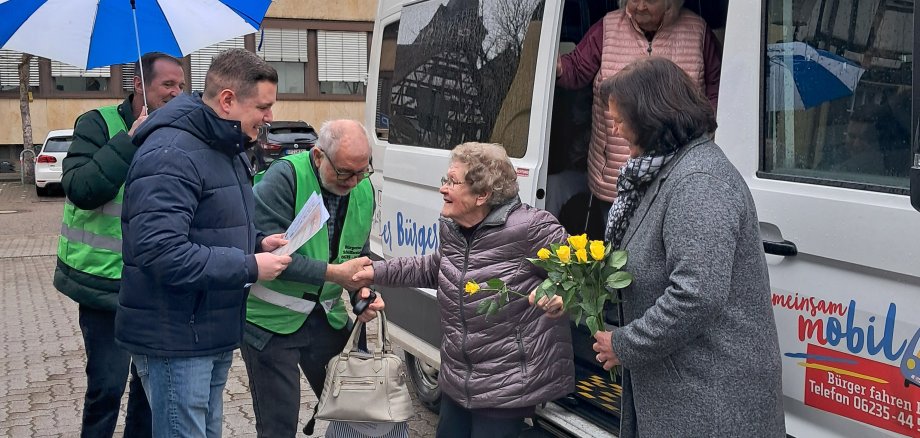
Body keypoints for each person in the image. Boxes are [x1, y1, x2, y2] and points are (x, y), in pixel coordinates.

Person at [554, 56, 784, 437]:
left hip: (712, 400)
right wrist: (574, 295)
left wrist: (626, 344)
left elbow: (696, 293)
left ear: (651, 116)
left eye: (620, 118)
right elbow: (642, 269)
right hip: (688, 390)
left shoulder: (699, 181)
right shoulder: (669, 171)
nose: (614, 128)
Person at [115, 48, 292, 438]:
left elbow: (211, 224)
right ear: (227, 100)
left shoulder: (223, 145)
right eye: (263, 106)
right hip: (176, 336)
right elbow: (160, 251)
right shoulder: (171, 152)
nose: (270, 117)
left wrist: (257, 243)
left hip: (209, 327)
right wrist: (248, 266)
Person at [353, 143, 574, 438]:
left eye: (453, 182)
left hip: (506, 381)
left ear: (482, 195)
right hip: (458, 375)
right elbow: (435, 268)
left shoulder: (531, 228)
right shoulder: (452, 227)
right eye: (446, 180)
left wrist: (556, 292)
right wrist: (374, 271)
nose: (443, 189)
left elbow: (578, 271)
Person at [54, 51, 184, 438]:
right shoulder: (97, 124)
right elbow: (81, 189)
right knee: (106, 389)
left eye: (181, 85)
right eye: (167, 85)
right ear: (139, 86)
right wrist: (130, 141)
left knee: (149, 391)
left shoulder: (176, 132)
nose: (177, 93)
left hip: (155, 284)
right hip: (104, 285)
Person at [241, 119, 386, 437]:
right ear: (319, 156)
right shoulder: (285, 177)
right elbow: (270, 258)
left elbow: (357, 255)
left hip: (325, 319)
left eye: (363, 171)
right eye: (346, 172)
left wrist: (362, 292)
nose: (354, 181)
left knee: (357, 416)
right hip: (270, 325)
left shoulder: (363, 188)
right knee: (279, 426)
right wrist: (337, 275)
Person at [556, 0, 722, 239]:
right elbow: (578, 68)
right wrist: (558, 66)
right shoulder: (608, 27)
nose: (640, 6)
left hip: (676, 171)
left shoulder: (698, 31)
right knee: (614, 250)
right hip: (615, 171)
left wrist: (708, 126)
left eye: (650, 0)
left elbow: (719, 85)